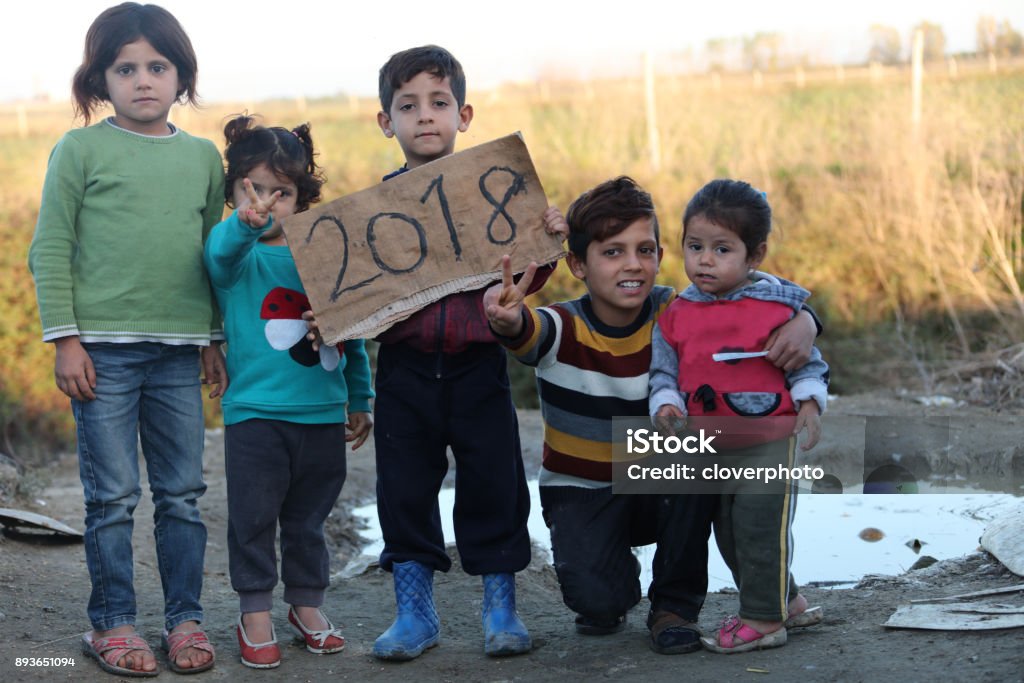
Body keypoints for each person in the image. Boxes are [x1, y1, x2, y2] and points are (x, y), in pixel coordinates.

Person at [483, 177, 820, 655]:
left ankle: (673, 608)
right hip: (584, 489)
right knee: (599, 604)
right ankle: (614, 581)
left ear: (662, 255)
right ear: (578, 264)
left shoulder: (676, 309)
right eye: (613, 252)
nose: (633, 265)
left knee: (696, 470)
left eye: (645, 250)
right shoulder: (562, 325)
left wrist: (807, 320)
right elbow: (525, 330)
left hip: (658, 477)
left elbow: (750, 293)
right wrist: (507, 319)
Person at [27, 3, 224, 676]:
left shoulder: (203, 158)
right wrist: (65, 340)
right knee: (112, 496)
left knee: (181, 493)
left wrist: (212, 337)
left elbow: (212, 253)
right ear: (100, 79)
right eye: (126, 67)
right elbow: (50, 247)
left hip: (177, 352)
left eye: (158, 66)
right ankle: (111, 622)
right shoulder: (79, 149)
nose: (144, 80)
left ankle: (185, 618)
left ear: (181, 76)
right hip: (101, 352)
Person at [368, 44, 566, 660]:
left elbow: (517, 278)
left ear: (464, 115)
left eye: (439, 102)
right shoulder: (375, 214)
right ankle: (414, 611)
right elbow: (361, 293)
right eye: (407, 106)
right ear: (387, 122)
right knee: (403, 488)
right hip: (403, 371)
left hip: (480, 366)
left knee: (495, 484)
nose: (424, 116)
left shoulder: (493, 193)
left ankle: (500, 607)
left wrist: (549, 247)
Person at [203, 116, 374, 669]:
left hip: (321, 415)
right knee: (253, 517)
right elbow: (219, 254)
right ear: (232, 194)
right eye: (253, 190)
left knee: (309, 519)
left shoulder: (326, 257)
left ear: (304, 199)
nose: (267, 203)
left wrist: (359, 399)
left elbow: (351, 333)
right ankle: (254, 611)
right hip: (256, 414)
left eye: (283, 192)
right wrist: (242, 225)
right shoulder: (239, 257)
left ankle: (306, 605)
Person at [648, 178, 829, 653]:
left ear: (755, 254)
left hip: (768, 434)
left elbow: (809, 365)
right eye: (695, 246)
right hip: (709, 440)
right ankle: (785, 600)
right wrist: (666, 404)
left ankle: (764, 621)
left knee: (760, 522)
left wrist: (809, 403)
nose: (704, 260)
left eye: (722, 249)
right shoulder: (676, 313)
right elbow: (664, 371)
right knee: (729, 530)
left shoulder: (778, 308)